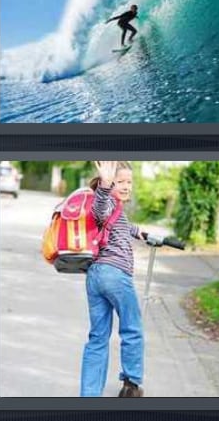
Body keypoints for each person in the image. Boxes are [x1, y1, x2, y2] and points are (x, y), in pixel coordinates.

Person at [80, 161, 146, 398]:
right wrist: (106, 184)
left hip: (96, 276)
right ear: (107, 182)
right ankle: (131, 385)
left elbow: (120, 224)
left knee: (98, 337)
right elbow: (101, 209)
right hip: (115, 275)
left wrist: (141, 232)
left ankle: (89, 395)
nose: (127, 186)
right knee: (132, 329)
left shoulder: (117, 209)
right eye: (122, 182)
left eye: (129, 181)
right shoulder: (105, 200)